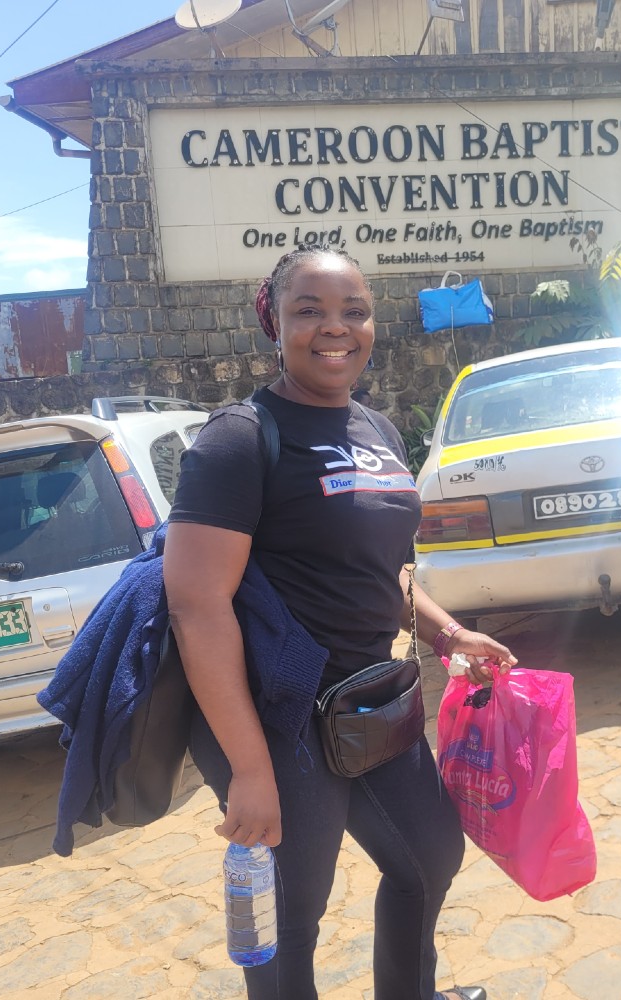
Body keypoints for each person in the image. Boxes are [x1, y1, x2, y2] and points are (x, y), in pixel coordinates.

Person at [163, 244, 516, 1000]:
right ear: (275, 323)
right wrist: (250, 770)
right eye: (310, 311)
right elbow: (198, 606)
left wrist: (449, 633)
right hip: (277, 716)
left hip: (366, 700)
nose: (336, 328)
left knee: (429, 857)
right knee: (292, 924)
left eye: (354, 311)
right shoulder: (239, 439)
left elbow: (379, 569)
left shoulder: (378, 431)